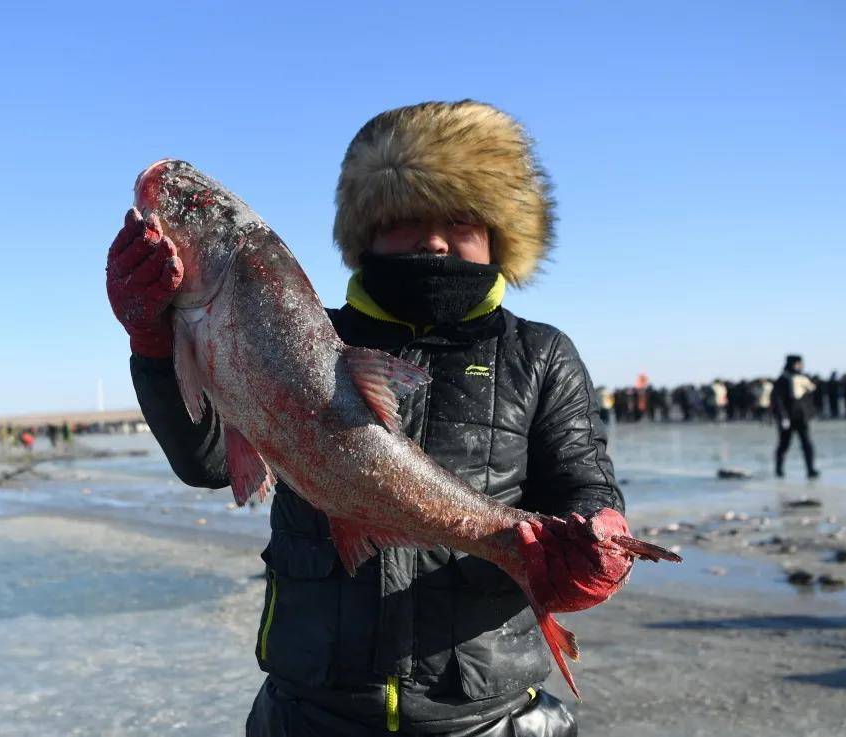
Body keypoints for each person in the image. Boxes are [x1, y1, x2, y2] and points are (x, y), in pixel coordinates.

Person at [109, 100, 627, 736]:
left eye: (461, 220)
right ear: (367, 233)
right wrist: (154, 348)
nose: (433, 240)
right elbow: (210, 462)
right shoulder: (303, 334)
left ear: (499, 234)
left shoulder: (539, 353)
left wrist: (594, 540)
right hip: (311, 706)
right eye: (406, 219)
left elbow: (584, 482)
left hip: (485, 712)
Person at [771, 354, 819, 479]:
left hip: (801, 418)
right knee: (784, 445)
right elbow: (777, 400)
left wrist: (810, 413)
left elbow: (808, 398)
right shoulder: (782, 380)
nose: (800, 366)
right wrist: (783, 417)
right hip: (787, 418)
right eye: (798, 363)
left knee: (807, 444)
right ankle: (779, 469)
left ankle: (810, 469)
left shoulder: (803, 379)